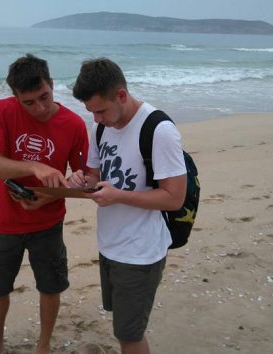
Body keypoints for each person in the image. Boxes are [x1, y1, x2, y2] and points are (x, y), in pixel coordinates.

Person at [68, 58, 187, 354]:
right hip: (110, 244)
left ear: (121, 95)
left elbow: (174, 198)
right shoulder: (101, 128)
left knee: (129, 334)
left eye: (100, 110)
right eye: (91, 112)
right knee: (122, 325)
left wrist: (119, 195)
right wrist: (83, 180)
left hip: (141, 252)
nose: (96, 119)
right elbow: (96, 175)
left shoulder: (159, 130)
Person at [0, 53, 89, 354]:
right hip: (5, 221)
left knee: (51, 286)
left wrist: (50, 195)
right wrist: (34, 167)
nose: (39, 108)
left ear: (52, 84)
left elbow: (88, 183)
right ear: (15, 97)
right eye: (29, 102)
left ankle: (43, 345)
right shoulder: (0, 111)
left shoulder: (74, 124)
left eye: (45, 96)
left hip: (49, 223)